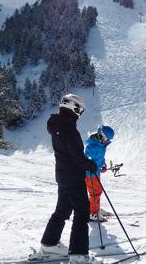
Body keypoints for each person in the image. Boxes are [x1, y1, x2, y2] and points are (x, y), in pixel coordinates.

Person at [32, 94, 100, 264]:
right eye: (80, 110)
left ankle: (50, 245)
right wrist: (90, 165)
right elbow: (76, 157)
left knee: (62, 210)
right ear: (74, 108)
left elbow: (68, 153)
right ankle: (79, 256)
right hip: (73, 177)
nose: (80, 113)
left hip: (62, 175)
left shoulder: (57, 125)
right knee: (82, 212)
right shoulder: (69, 129)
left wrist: (84, 163)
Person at [85, 125, 115, 222]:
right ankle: (93, 213)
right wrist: (90, 165)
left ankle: (96, 209)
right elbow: (86, 158)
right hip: (90, 174)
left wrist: (103, 164)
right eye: (107, 139)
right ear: (102, 136)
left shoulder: (101, 144)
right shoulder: (93, 146)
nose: (107, 141)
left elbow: (100, 157)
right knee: (95, 193)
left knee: (97, 191)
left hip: (96, 172)